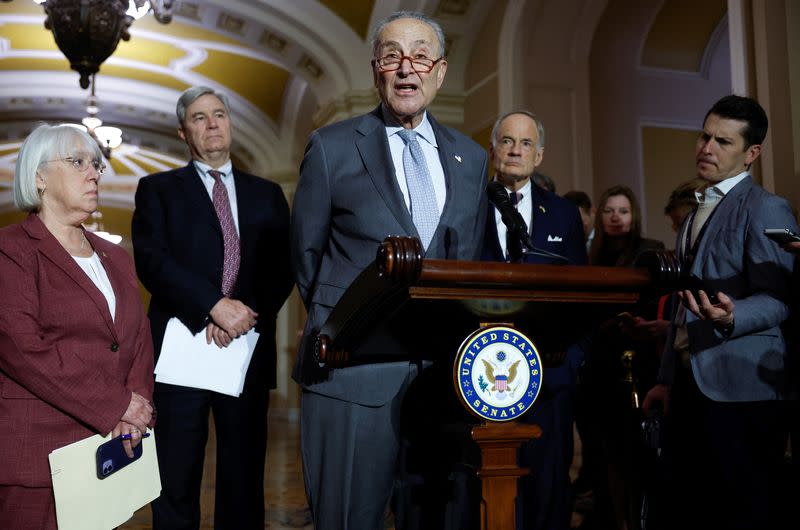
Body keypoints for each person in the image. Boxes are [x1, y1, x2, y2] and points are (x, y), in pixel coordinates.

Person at [291, 11, 488, 530]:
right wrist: (346, 324)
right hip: (352, 372)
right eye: (391, 56)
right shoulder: (332, 148)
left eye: (420, 55)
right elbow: (307, 257)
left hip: (444, 378)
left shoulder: (472, 158)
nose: (406, 68)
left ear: (440, 72)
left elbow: (473, 255)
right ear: (376, 70)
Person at [131, 86, 293, 529]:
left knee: (243, 477)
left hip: (246, 351)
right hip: (181, 350)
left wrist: (242, 315)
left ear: (231, 123)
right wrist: (213, 307)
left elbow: (283, 267)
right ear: (184, 132)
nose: (213, 124)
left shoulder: (268, 194)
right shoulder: (157, 189)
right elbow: (152, 261)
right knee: (175, 475)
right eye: (200, 118)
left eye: (219, 114)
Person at [642, 95, 797, 530]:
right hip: (691, 387)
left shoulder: (767, 208)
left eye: (722, 142)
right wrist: (665, 379)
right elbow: (683, 307)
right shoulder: (694, 212)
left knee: (742, 512)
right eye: (704, 136)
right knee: (691, 508)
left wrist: (732, 318)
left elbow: (780, 298)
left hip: (742, 390)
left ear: (751, 153)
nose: (706, 148)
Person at [0, 124, 154, 529]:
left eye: (97, 165)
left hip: (109, 448)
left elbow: (137, 338)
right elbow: (23, 349)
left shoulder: (115, 256)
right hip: (39, 454)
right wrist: (116, 405)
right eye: (78, 162)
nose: (95, 173)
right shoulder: (11, 250)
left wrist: (135, 408)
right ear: (39, 177)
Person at [480, 110, 587, 530]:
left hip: (551, 371)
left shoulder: (563, 215)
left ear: (538, 155)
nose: (515, 151)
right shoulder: (468, 206)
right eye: (507, 141)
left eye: (525, 144)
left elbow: (581, 294)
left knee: (549, 485)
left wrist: (574, 357)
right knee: (493, 487)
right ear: (493, 150)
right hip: (483, 374)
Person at [584, 185, 664, 530]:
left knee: (640, 452)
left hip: (641, 358)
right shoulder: (588, 255)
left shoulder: (652, 251)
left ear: (635, 216)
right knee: (604, 451)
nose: (616, 217)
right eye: (609, 211)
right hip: (601, 362)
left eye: (624, 211)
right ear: (600, 216)